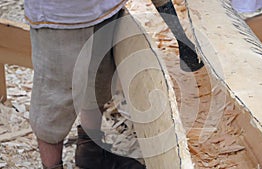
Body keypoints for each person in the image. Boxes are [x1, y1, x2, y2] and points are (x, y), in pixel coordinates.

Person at [25, 0, 202, 168]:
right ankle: (52, 166)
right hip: (63, 16)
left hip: (106, 8)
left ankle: (90, 149)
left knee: (99, 80)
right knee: (55, 101)